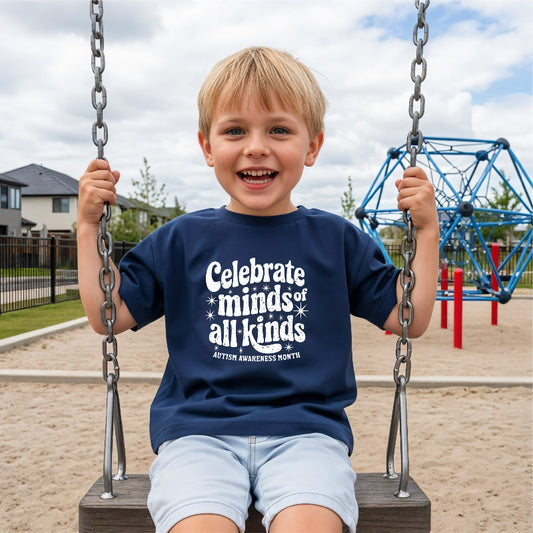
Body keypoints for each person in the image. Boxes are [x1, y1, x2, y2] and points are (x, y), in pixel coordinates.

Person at [77, 46, 439, 533]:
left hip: (307, 434)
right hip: (197, 434)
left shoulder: (336, 239)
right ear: (207, 147)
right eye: (235, 131)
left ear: (312, 147)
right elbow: (108, 315)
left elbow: (408, 319)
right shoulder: (182, 239)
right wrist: (85, 228)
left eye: (279, 130)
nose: (256, 146)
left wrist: (427, 231)